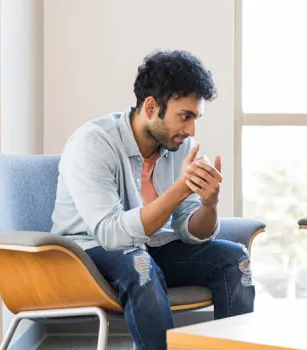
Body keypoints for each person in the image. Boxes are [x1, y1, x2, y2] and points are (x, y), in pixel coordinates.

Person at [51, 50, 254, 349]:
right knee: (140, 265)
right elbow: (112, 234)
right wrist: (181, 189)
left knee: (237, 260)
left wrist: (209, 204)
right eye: (184, 116)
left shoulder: (181, 147)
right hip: (85, 254)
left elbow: (189, 230)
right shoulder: (92, 143)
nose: (191, 130)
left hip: (147, 249)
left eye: (195, 117)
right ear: (150, 107)